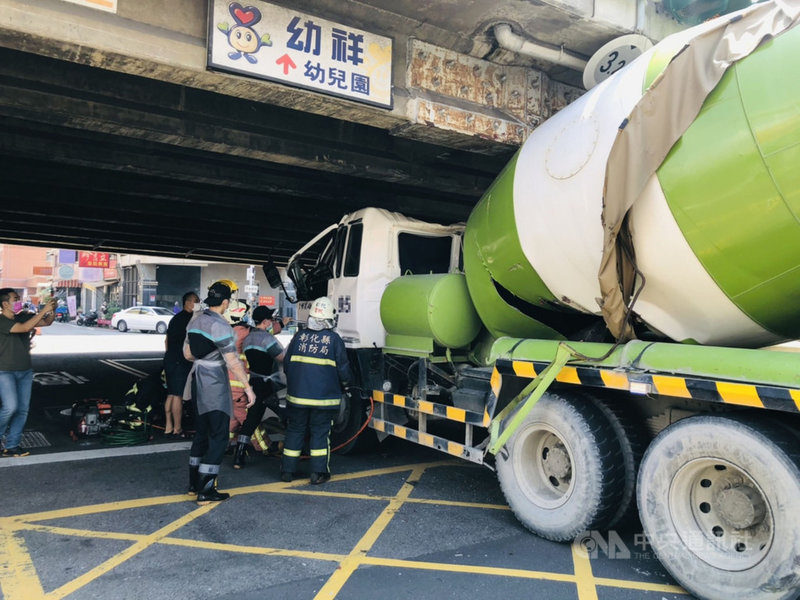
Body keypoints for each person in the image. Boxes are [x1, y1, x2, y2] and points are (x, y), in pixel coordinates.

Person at [183, 281, 255, 504]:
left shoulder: (195, 321)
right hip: (214, 385)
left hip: (197, 381)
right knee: (218, 436)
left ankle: (194, 485)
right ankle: (207, 491)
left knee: (201, 434)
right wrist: (248, 388)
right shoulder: (221, 326)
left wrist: (204, 360)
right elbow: (232, 361)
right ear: (225, 302)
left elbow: (187, 355)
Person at [281, 296, 352, 484]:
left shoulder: (298, 337)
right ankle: (318, 473)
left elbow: (287, 365)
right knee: (320, 433)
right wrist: (346, 385)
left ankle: (287, 471)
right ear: (329, 318)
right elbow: (343, 368)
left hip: (296, 398)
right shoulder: (334, 340)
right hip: (323, 399)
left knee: (295, 431)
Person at [0, 289, 56, 457]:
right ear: (5, 304)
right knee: (10, 408)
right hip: (4, 371)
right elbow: (24, 328)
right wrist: (43, 311)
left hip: (25, 370)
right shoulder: (2, 321)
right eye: (15, 299)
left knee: (22, 410)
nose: (19, 301)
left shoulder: (23, 316)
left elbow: (47, 323)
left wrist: (51, 309)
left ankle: (12, 446)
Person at [231, 305, 285, 469]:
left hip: (254, 382)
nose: (272, 322)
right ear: (266, 321)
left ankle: (239, 454)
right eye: (271, 319)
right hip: (268, 385)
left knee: (252, 419)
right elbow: (283, 357)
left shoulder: (248, 339)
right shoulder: (266, 339)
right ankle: (296, 448)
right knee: (287, 414)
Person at [162, 291, 200, 437]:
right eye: (195, 301)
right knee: (178, 395)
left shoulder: (175, 318)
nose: (197, 304)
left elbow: (166, 341)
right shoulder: (191, 320)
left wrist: (170, 355)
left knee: (171, 393)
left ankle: (168, 426)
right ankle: (177, 427)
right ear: (187, 302)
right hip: (181, 360)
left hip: (170, 359)